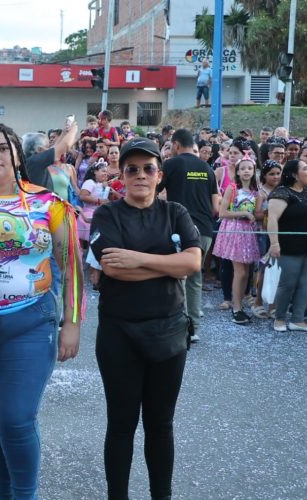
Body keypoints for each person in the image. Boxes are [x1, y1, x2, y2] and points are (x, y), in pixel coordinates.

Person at [0, 123, 83, 499]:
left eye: (3, 148)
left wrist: (72, 322)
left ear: (18, 157)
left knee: (15, 419)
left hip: (30, 324)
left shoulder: (48, 204)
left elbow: (71, 266)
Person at [89, 137, 201, 500]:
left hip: (168, 332)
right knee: (121, 425)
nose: (140, 175)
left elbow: (193, 262)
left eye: (148, 168)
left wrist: (138, 259)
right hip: (119, 334)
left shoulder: (175, 213)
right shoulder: (107, 214)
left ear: (159, 175)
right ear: (121, 175)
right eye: (132, 169)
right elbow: (112, 269)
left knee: (161, 424)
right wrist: (169, 265)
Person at [158, 129, 220, 338]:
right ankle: (193, 329)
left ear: (176, 145)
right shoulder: (207, 168)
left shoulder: (171, 164)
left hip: (180, 229)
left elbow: (153, 191)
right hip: (205, 230)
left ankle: (179, 327)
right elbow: (215, 206)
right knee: (195, 278)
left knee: (178, 278)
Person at [267, 159, 307, 332]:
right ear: (294, 174)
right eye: (305, 169)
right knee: (287, 284)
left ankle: (297, 320)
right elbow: (272, 219)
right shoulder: (281, 192)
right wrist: (274, 244)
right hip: (289, 247)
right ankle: (279, 319)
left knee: (306, 284)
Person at [212, 155, 260, 324]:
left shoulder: (256, 191)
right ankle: (236, 308)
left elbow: (257, 213)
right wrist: (244, 213)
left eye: (249, 168)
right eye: (243, 168)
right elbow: (222, 212)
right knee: (240, 272)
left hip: (248, 232)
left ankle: (239, 306)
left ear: (254, 171)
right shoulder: (232, 188)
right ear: (237, 172)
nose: (246, 171)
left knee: (246, 272)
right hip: (234, 231)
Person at [252, 160, 282, 319]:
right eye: (272, 174)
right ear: (264, 175)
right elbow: (257, 213)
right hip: (264, 235)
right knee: (263, 269)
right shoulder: (261, 193)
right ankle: (258, 301)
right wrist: (271, 212)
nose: (275, 176)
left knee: (276, 270)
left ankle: (272, 304)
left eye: (278, 173)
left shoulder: (282, 190)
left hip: (279, 234)